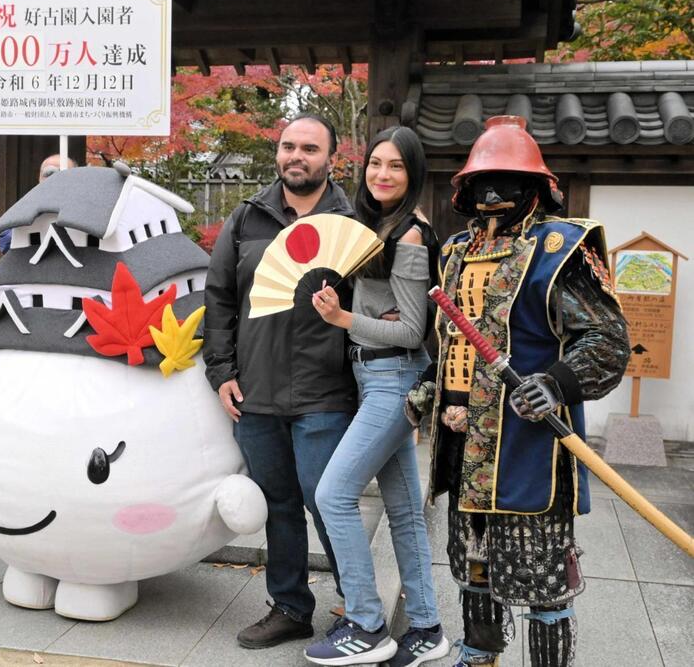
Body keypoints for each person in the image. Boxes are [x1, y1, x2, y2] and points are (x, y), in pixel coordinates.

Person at [407, 116, 629, 666]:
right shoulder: (455, 250)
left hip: (528, 442)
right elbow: (452, 339)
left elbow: (606, 339)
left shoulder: (560, 250)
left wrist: (555, 382)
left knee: (543, 573)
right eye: (481, 181)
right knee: (473, 562)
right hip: (463, 443)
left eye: (506, 180)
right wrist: (430, 387)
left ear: (535, 187)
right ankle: (480, 655)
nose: (492, 193)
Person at [203, 113, 356, 649]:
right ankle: (290, 606)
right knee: (279, 503)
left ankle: (357, 607)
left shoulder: (352, 220)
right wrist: (221, 371)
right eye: (289, 146)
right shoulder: (249, 217)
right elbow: (219, 295)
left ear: (331, 158)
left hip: (326, 392)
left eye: (310, 148)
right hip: (257, 392)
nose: (297, 156)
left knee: (328, 499)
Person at [304, 127, 450, 666]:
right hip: (375, 377)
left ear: (412, 176)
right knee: (406, 511)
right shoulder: (375, 227)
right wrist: (354, 316)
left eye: (396, 167)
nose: (382, 174)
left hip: (393, 378)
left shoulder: (410, 235)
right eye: (375, 164)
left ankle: (366, 624)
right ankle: (428, 628)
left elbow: (413, 330)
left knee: (333, 494)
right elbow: (385, 315)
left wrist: (344, 319)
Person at [0, 153, 75, 253]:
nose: (54, 179)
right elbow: (6, 242)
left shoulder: (84, 207)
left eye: (62, 173)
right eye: (48, 174)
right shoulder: (26, 207)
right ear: (39, 178)